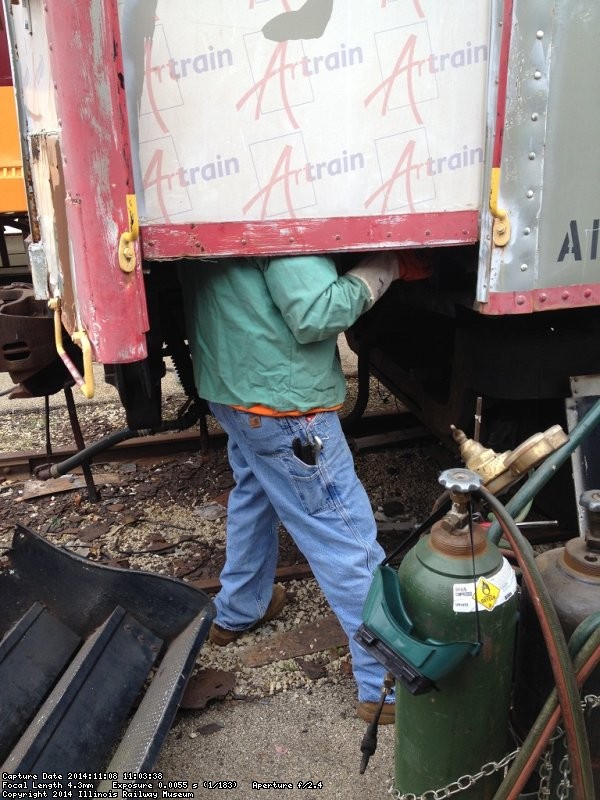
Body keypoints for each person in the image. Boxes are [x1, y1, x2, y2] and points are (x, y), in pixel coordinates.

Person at [179, 250, 429, 724]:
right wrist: (390, 265)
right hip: (282, 403)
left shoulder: (212, 192)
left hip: (233, 388)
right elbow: (317, 312)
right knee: (346, 538)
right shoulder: (283, 198)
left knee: (254, 493)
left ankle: (238, 610)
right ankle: (386, 687)